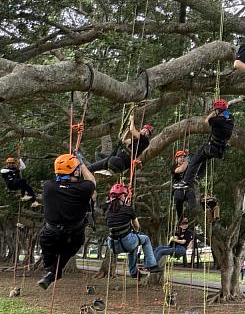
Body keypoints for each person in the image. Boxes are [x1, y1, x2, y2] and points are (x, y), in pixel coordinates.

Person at [37, 153, 96, 289]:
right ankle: (54, 272)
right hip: (74, 234)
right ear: (75, 171)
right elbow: (92, 181)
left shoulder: (48, 186)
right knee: (66, 253)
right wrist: (81, 164)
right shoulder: (83, 188)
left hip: (50, 234)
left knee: (48, 255)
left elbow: (60, 182)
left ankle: (52, 272)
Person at [173, 99, 234, 191]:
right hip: (218, 150)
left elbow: (206, 121)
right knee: (204, 158)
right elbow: (226, 114)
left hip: (210, 147)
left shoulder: (217, 120)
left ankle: (186, 182)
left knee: (194, 161)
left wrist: (213, 113)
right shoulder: (230, 118)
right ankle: (198, 177)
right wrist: (221, 111)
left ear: (218, 110)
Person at [105, 183, 160, 278]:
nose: (125, 197)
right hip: (126, 242)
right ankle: (151, 265)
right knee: (145, 239)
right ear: (121, 196)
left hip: (113, 245)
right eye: (125, 195)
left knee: (133, 246)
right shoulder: (128, 209)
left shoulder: (108, 212)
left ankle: (134, 272)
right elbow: (137, 227)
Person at [88, 116, 153, 176]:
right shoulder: (135, 141)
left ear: (148, 135)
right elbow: (124, 140)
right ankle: (101, 171)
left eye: (147, 132)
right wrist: (127, 128)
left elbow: (132, 130)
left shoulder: (145, 141)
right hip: (115, 159)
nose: (145, 132)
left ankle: (106, 171)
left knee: (112, 160)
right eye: (144, 130)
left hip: (119, 162)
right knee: (97, 157)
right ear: (141, 130)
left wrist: (132, 120)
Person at [170, 149, 198, 220]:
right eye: (180, 157)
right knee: (179, 198)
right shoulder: (174, 167)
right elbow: (181, 170)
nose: (182, 159)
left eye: (183, 157)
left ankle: (190, 217)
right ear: (176, 159)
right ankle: (180, 218)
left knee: (192, 202)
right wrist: (187, 160)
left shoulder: (188, 167)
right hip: (178, 188)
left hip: (188, 187)